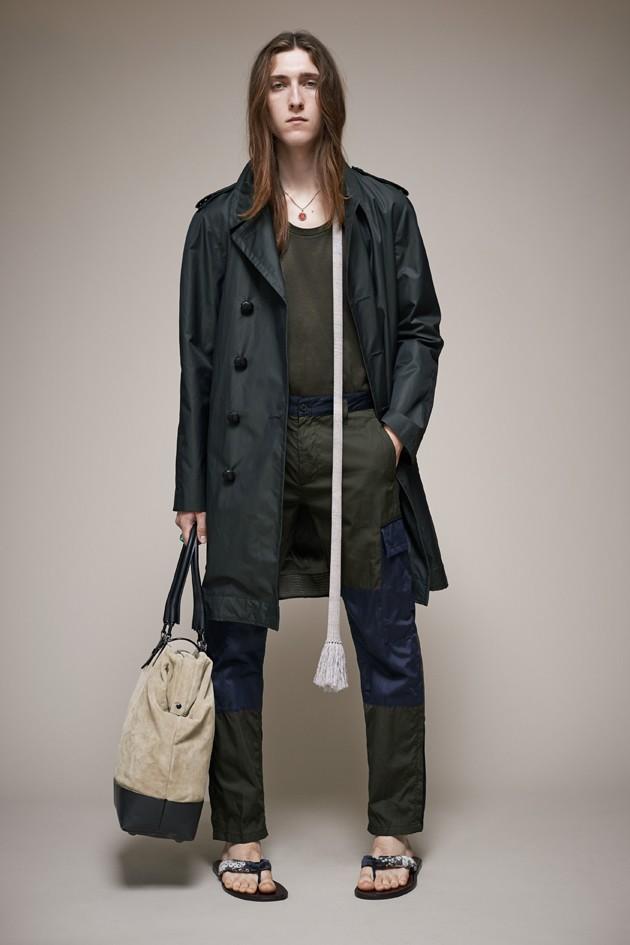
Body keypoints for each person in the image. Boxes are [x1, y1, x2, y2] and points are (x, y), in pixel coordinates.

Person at [173, 30, 447, 901]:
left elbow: (420, 329)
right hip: (249, 450)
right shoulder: (218, 222)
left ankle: (392, 828)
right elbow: (198, 363)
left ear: (330, 98)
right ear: (261, 102)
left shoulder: (382, 209)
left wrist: (393, 435)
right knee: (234, 641)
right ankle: (241, 835)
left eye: (309, 81)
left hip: (356, 440)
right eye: (278, 83)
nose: (294, 97)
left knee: (388, 637)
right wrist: (191, 485)